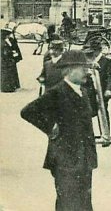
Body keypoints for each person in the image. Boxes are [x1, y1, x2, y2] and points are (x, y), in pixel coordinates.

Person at [21, 49, 103, 210]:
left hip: (85, 159)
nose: (87, 72)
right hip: (65, 160)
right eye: (82, 69)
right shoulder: (57, 92)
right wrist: (50, 127)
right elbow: (27, 111)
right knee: (68, 203)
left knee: (84, 203)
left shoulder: (84, 92)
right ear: (69, 70)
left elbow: (89, 117)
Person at [84, 39, 111, 127]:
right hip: (88, 92)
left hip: (102, 92)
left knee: (103, 112)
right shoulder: (87, 60)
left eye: (94, 51)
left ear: (99, 50)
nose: (93, 53)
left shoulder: (107, 62)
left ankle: (106, 133)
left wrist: (109, 90)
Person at [1, 27, 23, 92]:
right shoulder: (2, 42)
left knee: (11, 73)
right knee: (6, 74)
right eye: (8, 34)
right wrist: (12, 52)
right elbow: (5, 52)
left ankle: (13, 85)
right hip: (5, 61)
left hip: (9, 60)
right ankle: (7, 88)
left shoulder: (9, 40)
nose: (9, 35)